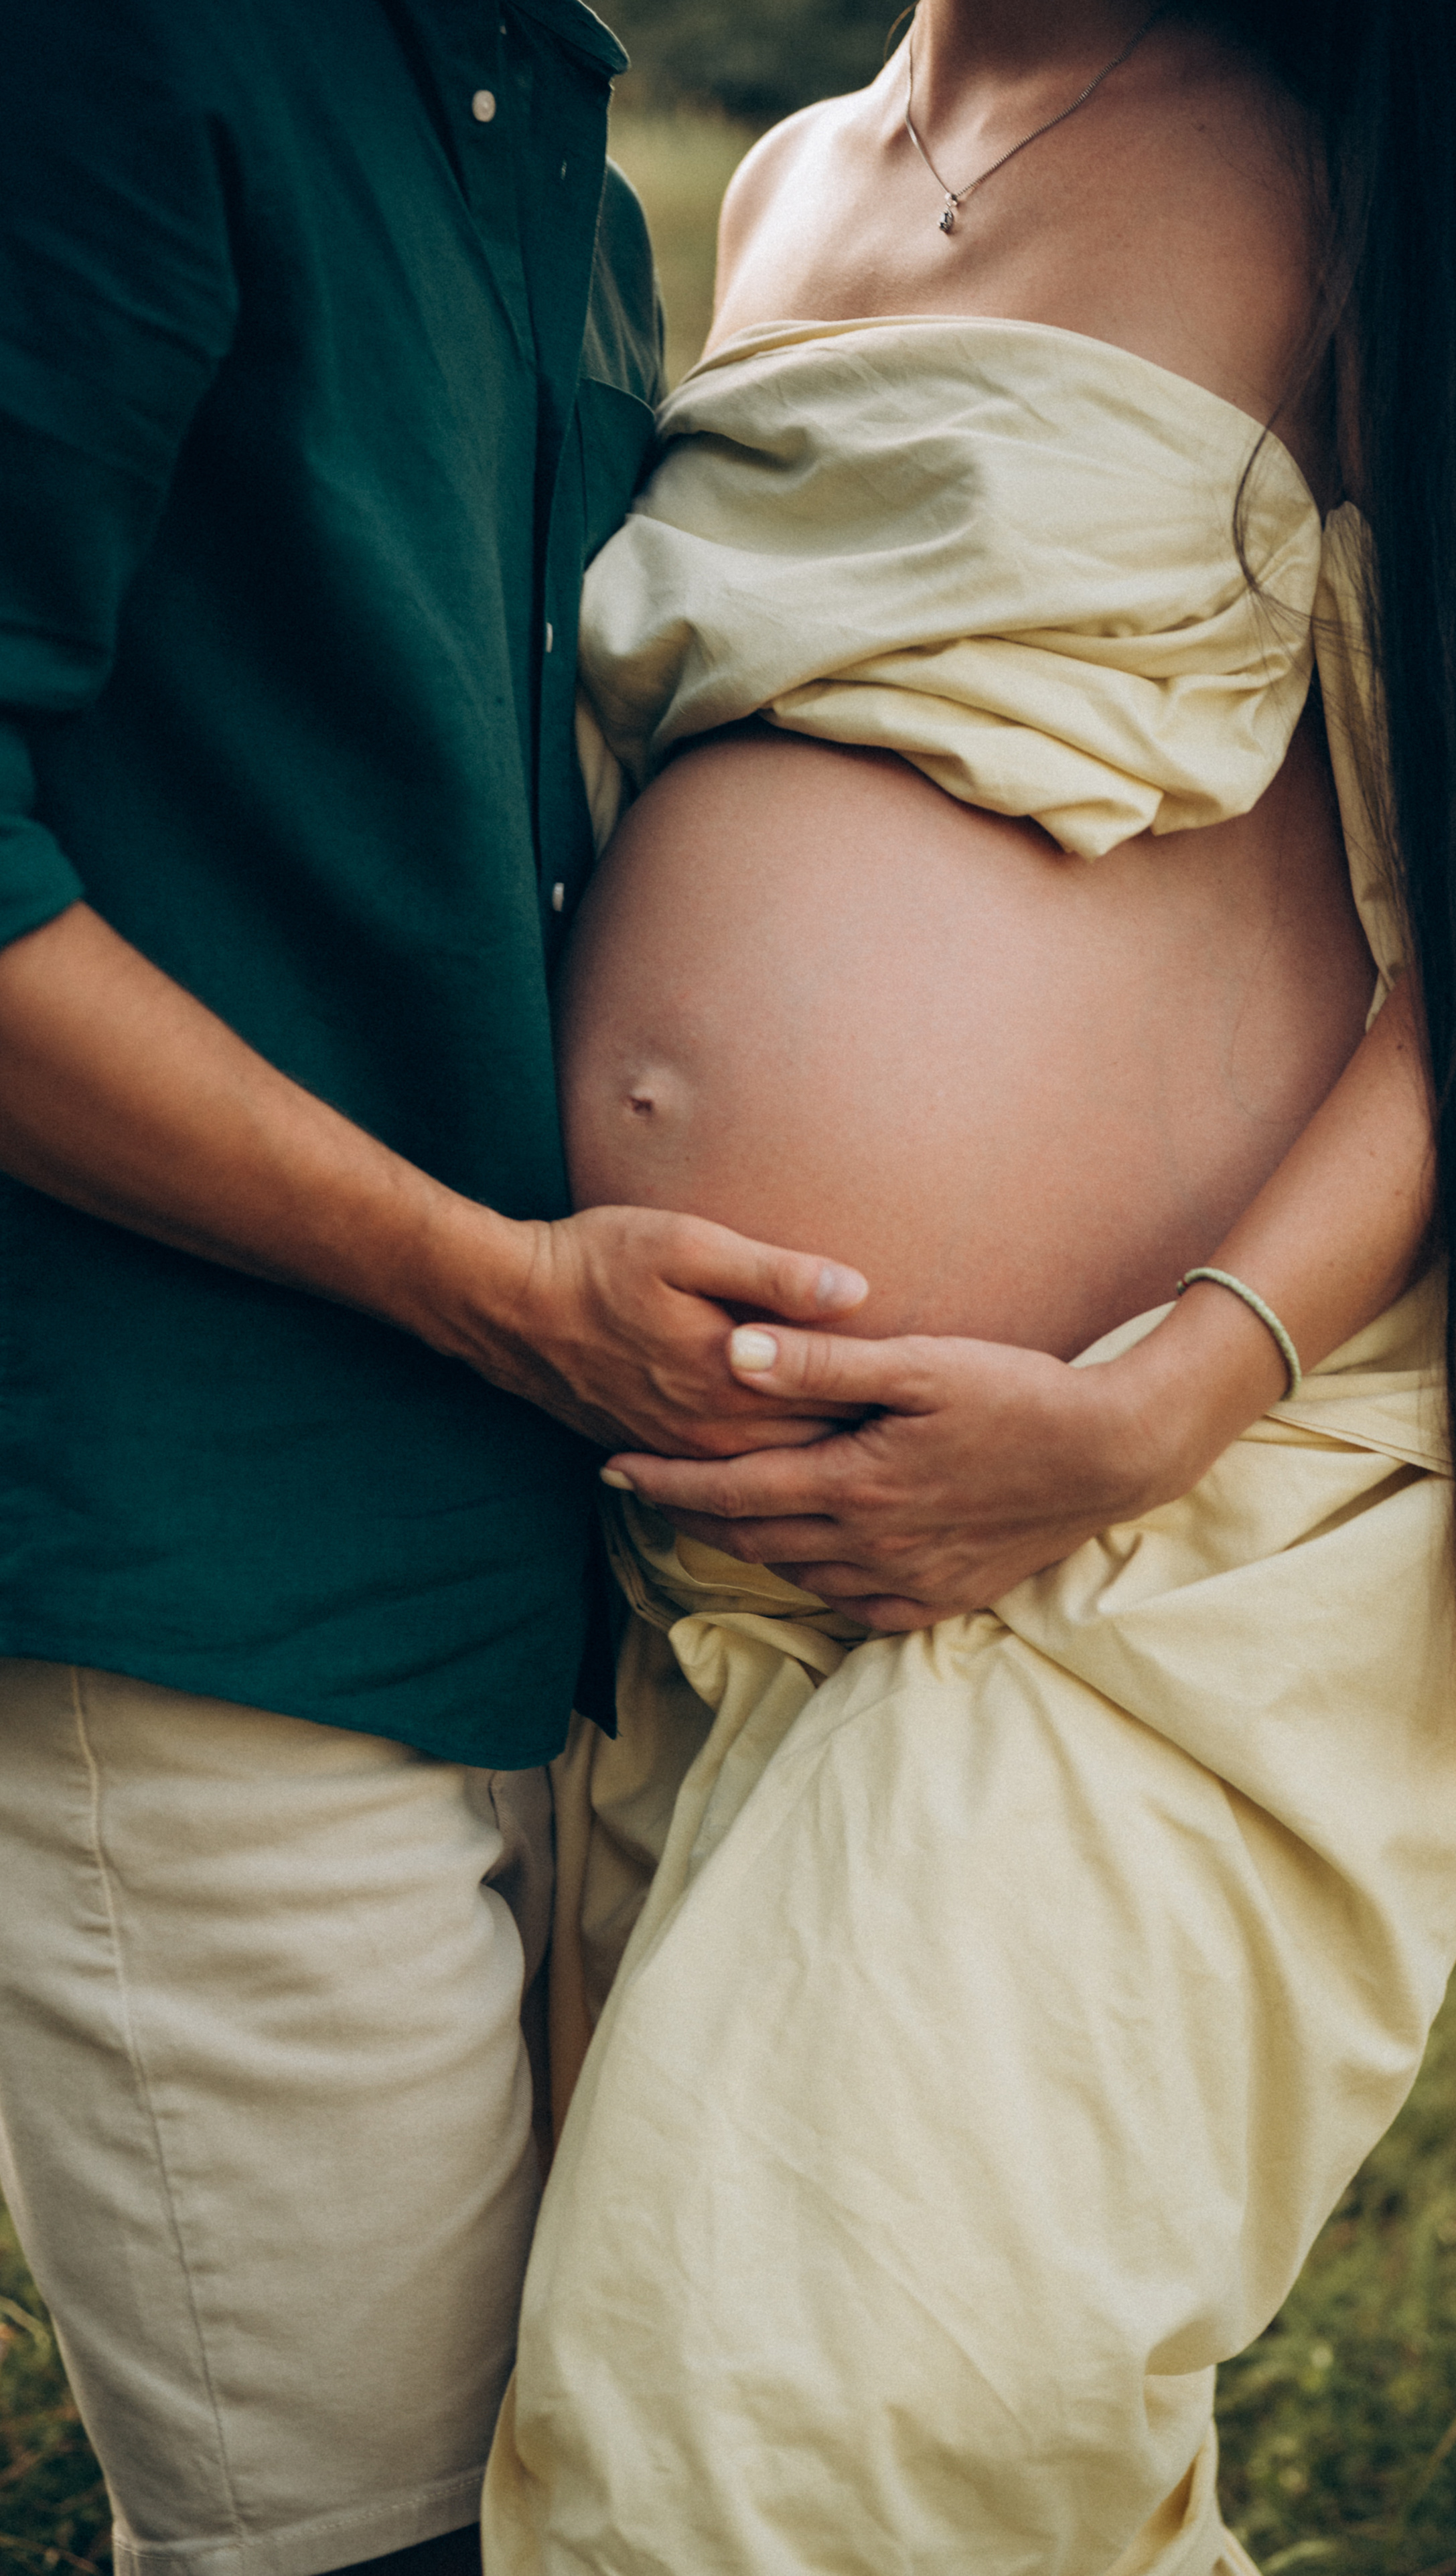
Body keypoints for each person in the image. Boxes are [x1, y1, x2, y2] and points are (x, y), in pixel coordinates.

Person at [482, 1, 1456, 2568]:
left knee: (765, 2437)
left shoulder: (1359, 172)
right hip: (693, 1557)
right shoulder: (790, 177)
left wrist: (1152, 1402)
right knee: (891, 2444)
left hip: (1145, 1542)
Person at [0, 9, 877, 2575]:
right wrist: (491, 1283)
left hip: (576, 1574)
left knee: (618, 2499)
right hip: (217, 1566)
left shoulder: (560, 142)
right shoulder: (128, 56)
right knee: (359, 2544)